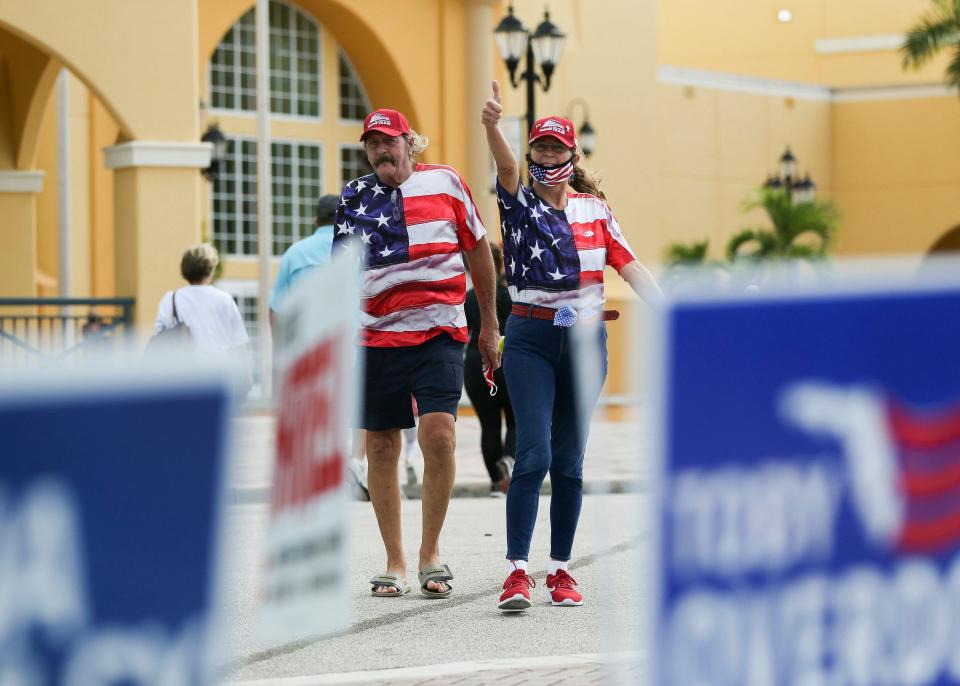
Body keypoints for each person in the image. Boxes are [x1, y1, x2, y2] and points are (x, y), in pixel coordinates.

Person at [481, 82, 662, 611]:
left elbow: (630, 266)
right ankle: (517, 572)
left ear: (572, 154)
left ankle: (560, 570)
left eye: (557, 149)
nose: (547, 156)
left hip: (584, 341)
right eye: (540, 148)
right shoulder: (519, 204)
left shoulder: (595, 211)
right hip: (531, 338)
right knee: (532, 452)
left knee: (570, 461)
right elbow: (508, 169)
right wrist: (493, 126)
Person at [333, 108, 500, 598]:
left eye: (389, 141)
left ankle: (431, 554)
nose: (381, 151)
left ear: (410, 142)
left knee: (440, 435)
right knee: (381, 445)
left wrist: (488, 324)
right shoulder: (355, 198)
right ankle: (395, 561)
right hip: (374, 338)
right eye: (372, 144)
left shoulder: (447, 183)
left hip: (439, 331)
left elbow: (478, 251)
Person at [269, 194, 370, 500]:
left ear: (316, 220)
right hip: (354, 343)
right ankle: (355, 462)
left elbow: (276, 309)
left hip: (309, 349)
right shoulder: (358, 253)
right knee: (358, 409)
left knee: (317, 410)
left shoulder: (295, 254)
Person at [153, 243, 253, 397]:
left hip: (181, 379)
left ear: (184, 271)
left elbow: (159, 339)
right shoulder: (224, 300)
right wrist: (246, 377)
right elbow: (239, 345)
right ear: (211, 270)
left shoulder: (170, 299)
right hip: (218, 377)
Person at [463, 242, 516, 496]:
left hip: (475, 363)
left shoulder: (469, 297)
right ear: (501, 264)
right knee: (516, 421)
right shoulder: (511, 294)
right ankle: (509, 458)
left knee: (489, 425)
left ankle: (496, 482)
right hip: (509, 360)